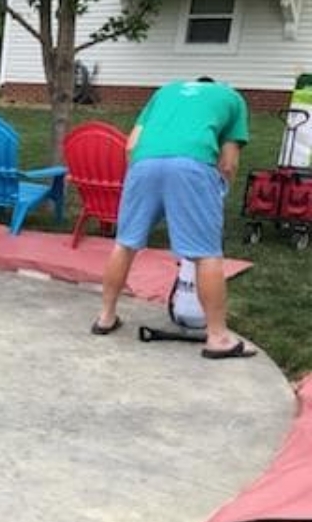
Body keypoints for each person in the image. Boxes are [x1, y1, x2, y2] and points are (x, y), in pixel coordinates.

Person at [91, 76, 256, 359]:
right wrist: (218, 190)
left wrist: (147, 178)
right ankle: (218, 338)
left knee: (125, 243)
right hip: (192, 166)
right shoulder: (232, 98)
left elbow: (130, 146)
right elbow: (228, 162)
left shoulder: (165, 92)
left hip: (143, 163)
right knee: (207, 254)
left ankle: (105, 317)